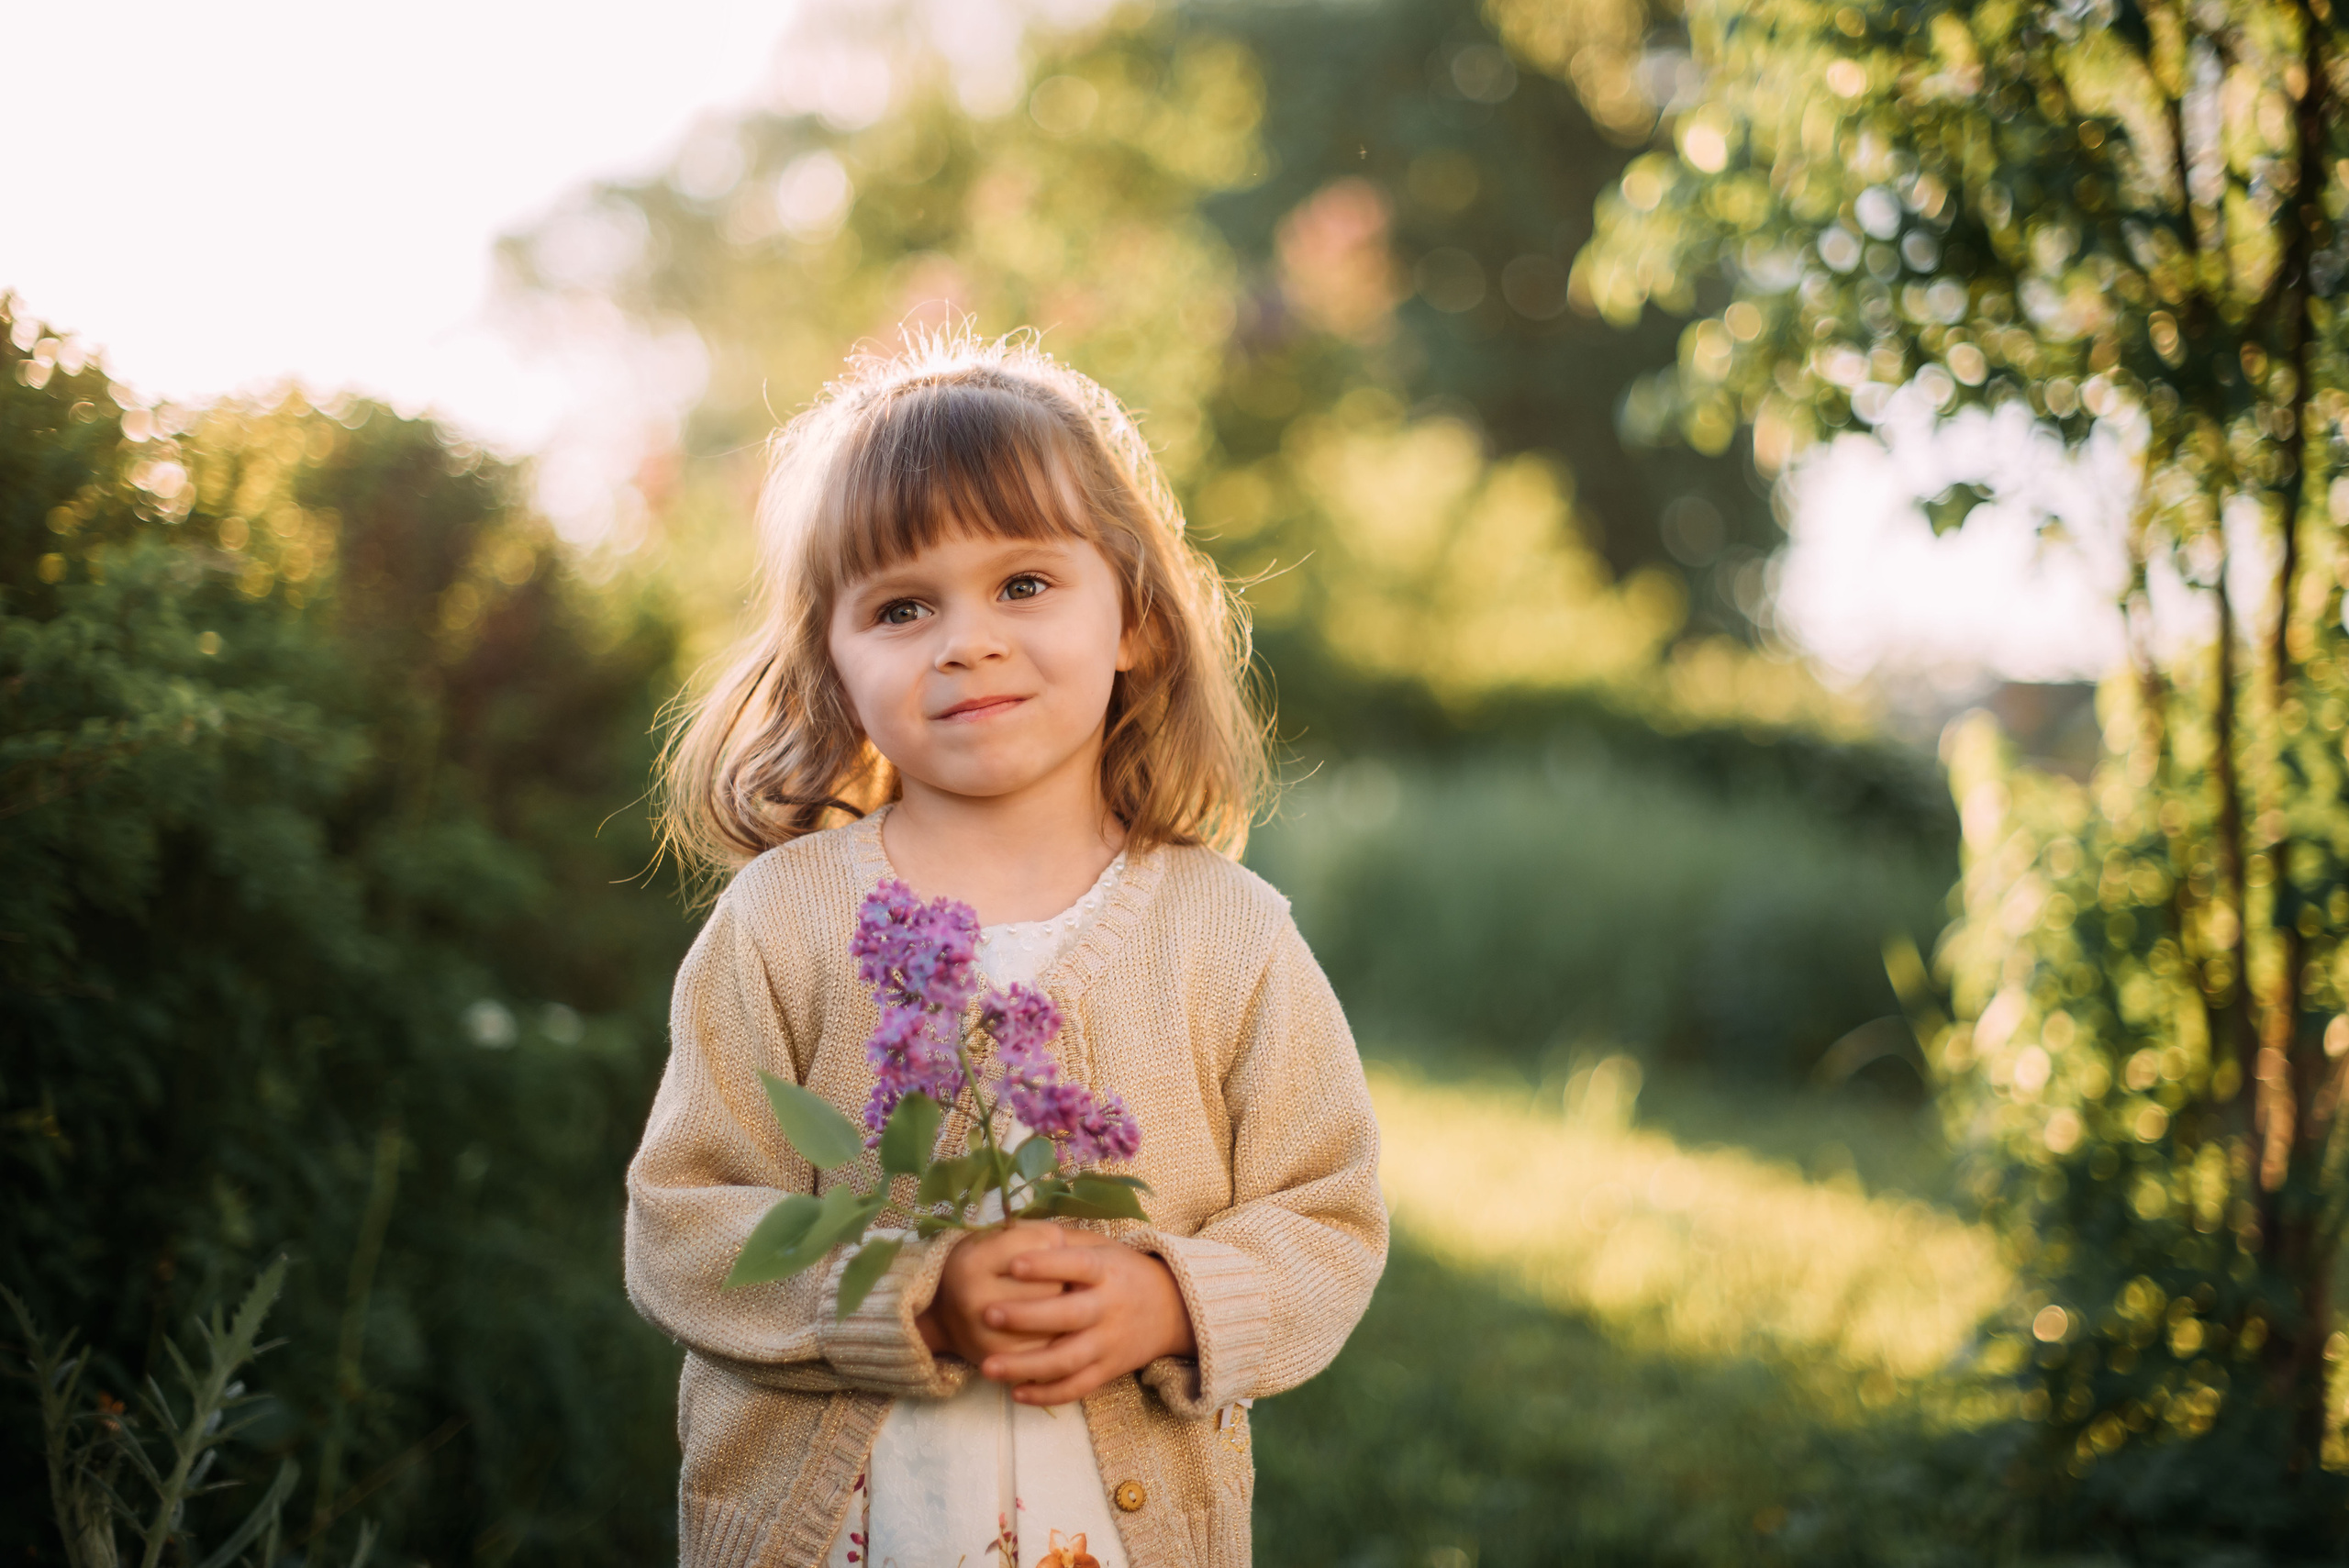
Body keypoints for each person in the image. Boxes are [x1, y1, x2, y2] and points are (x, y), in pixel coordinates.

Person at [625, 329, 1386, 1568]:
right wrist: (910, 1291)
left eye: (1023, 583)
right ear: (835, 661)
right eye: (902, 605)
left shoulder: (1229, 934)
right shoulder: (784, 921)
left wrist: (1171, 1297)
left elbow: (1327, 1215)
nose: (966, 640)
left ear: (1134, 616)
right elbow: (684, 1227)